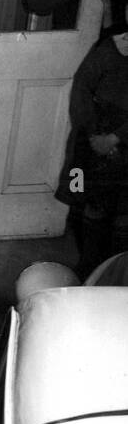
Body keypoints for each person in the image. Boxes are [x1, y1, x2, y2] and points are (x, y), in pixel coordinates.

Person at [63, 25, 128, 277]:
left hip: (120, 143)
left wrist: (116, 138)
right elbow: (82, 89)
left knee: (121, 218)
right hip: (94, 142)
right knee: (85, 202)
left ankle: (116, 273)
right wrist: (94, 135)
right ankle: (89, 268)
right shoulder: (107, 48)